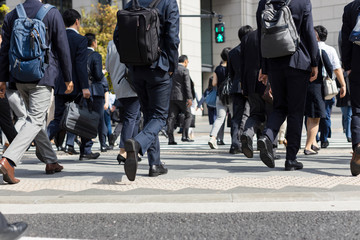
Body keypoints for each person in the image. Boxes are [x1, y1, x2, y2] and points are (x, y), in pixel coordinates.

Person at [0, 0, 74, 184]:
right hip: (43, 76)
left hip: (19, 77)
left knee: (36, 119)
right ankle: (8, 160)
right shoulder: (51, 13)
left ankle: (51, 161)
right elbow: (62, 47)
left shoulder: (12, 14)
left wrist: (2, 79)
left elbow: (4, 50)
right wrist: (68, 77)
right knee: (35, 119)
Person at [114, 0, 180, 181]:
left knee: (149, 115)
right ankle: (137, 144)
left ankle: (155, 163)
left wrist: (130, 61)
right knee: (159, 116)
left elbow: (117, 37)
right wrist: (172, 64)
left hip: (136, 70)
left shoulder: (131, 2)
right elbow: (173, 38)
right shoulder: (168, 3)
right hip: (159, 67)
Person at [256, 0, 319, 171]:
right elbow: (308, 32)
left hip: (275, 62)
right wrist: (315, 62)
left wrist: (264, 66)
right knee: (295, 112)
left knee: (279, 107)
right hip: (298, 61)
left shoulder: (264, 2)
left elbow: (260, 35)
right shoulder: (302, 2)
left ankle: (268, 136)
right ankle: (291, 158)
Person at [47, 8, 94, 157]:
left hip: (60, 85)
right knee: (83, 117)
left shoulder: (56, 38)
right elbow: (80, 65)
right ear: (77, 21)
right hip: (76, 86)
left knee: (59, 117)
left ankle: (43, 138)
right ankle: (86, 150)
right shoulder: (80, 40)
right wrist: (85, 87)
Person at [240, 28, 278, 159]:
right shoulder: (271, 33)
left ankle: (247, 133)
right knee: (272, 115)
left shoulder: (247, 38)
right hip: (267, 81)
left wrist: (244, 86)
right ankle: (271, 149)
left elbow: (242, 64)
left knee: (255, 113)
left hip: (250, 83)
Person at [106, 40, 140, 164]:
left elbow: (108, 66)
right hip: (132, 85)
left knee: (134, 118)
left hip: (118, 86)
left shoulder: (111, 43)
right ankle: (123, 151)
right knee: (131, 118)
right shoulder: (132, 39)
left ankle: (133, 151)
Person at [314, 25, 346, 149]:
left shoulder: (309, 48)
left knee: (311, 113)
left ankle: (314, 139)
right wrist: (342, 85)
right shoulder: (331, 50)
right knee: (326, 113)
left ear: (316, 35)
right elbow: (337, 69)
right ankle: (324, 139)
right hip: (327, 85)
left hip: (312, 84)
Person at [341, 0, 360, 176]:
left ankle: (357, 147)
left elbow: (345, 40)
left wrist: (347, 65)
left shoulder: (351, 8)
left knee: (358, 111)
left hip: (357, 65)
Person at [303, 49, 334, 155]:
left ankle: (313, 143)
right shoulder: (320, 51)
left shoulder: (302, 50)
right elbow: (329, 68)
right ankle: (308, 146)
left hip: (304, 87)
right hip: (317, 88)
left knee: (309, 117)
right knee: (316, 119)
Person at [85, 33, 111, 154]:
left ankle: (85, 148)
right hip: (96, 90)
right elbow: (98, 75)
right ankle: (103, 144)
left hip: (84, 89)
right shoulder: (96, 55)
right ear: (94, 42)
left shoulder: (80, 55)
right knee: (100, 119)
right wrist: (102, 73)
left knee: (85, 118)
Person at [228, 26, 251, 154]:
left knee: (236, 117)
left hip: (236, 87)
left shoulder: (232, 52)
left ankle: (234, 144)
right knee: (252, 114)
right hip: (250, 87)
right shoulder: (252, 50)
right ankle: (247, 141)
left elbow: (230, 74)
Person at [208, 47, 232, 149]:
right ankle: (236, 140)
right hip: (231, 96)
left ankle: (213, 138)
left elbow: (214, 83)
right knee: (235, 118)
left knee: (219, 118)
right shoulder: (232, 67)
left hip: (220, 96)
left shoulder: (217, 68)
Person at [167, 55, 193, 145]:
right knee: (189, 115)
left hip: (171, 97)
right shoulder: (185, 70)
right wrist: (189, 98)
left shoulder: (171, 69)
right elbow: (187, 85)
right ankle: (184, 136)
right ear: (185, 61)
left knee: (171, 117)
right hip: (182, 97)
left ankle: (170, 139)